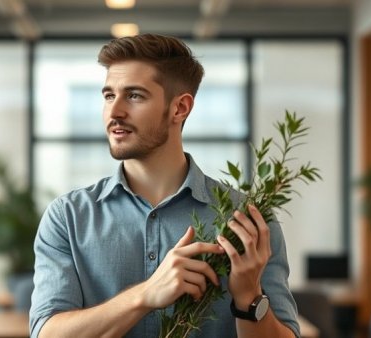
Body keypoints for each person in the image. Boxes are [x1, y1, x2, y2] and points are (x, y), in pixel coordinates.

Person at [30, 33, 299, 338]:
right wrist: (145, 295)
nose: (114, 111)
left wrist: (249, 296)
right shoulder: (68, 218)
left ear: (180, 108)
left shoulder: (247, 222)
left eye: (134, 96)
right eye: (108, 95)